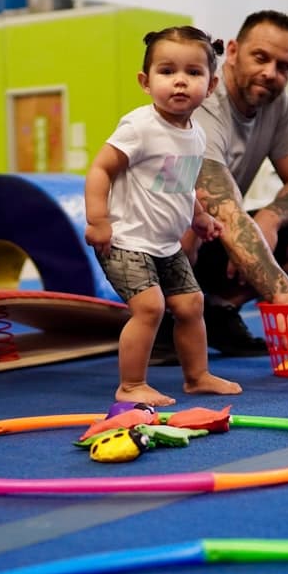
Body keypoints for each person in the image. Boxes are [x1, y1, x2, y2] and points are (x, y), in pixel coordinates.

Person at [155, 10, 288, 362]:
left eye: (284, 66)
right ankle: (168, 316)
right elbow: (221, 204)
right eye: (261, 57)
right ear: (232, 52)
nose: (270, 73)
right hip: (159, 240)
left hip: (211, 230)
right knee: (187, 228)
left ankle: (218, 310)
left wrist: (270, 219)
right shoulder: (202, 100)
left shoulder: (277, 106)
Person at [85, 26, 243, 407]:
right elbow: (100, 170)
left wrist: (200, 218)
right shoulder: (140, 126)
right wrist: (98, 220)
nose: (179, 82)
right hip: (126, 242)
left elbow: (178, 185)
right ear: (145, 80)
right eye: (167, 71)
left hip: (165, 245)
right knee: (150, 307)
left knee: (191, 305)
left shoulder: (195, 135)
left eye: (193, 73)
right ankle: (131, 384)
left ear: (211, 84)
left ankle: (197, 376)